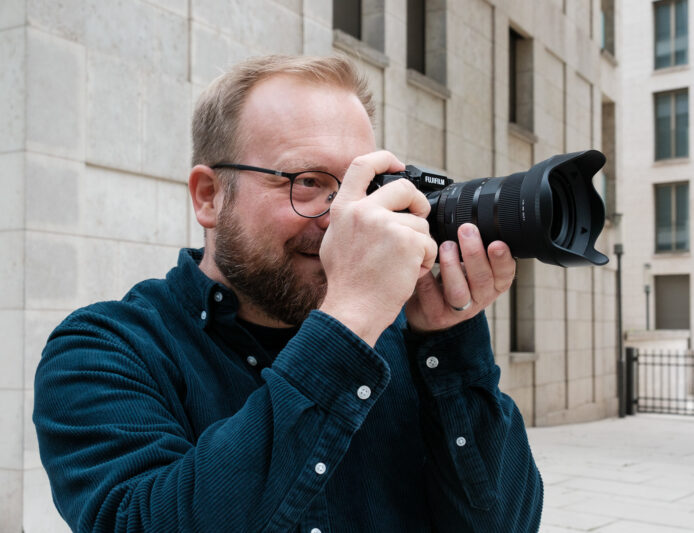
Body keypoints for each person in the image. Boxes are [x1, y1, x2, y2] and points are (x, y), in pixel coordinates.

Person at [34, 55, 543, 532]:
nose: (344, 216)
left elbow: (503, 524)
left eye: (360, 186)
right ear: (209, 196)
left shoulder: (406, 337)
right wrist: (348, 322)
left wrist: (449, 339)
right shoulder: (104, 349)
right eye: (308, 181)